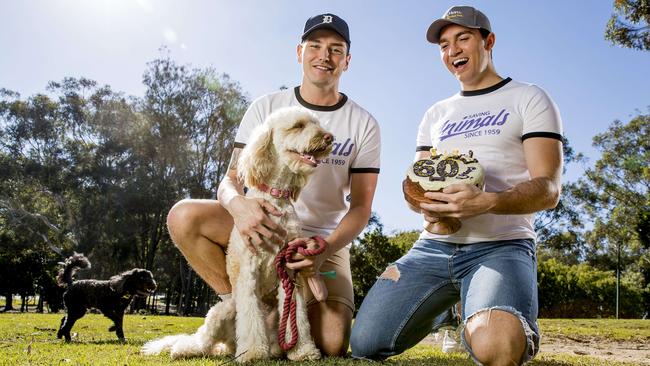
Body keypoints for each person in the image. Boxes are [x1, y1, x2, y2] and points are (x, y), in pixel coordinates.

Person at [350, 5, 562, 366]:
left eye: (463, 38)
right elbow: (417, 183)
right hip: (432, 249)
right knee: (365, 343)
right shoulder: (436, 114)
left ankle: (486, 314)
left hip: (501, 246)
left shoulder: (529, 97)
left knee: (496, 346)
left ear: (488, 41)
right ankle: (451, 310)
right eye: (444, 45)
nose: (453, 51)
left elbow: (548, 189)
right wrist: (424, 205)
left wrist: (488, 202)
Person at [166, 13, 380, 357]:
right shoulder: (266, 107)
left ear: (347, 60)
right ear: (300, 52)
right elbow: (231, 181)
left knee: (332, 341)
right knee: (183, 216)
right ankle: (239, 310)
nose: (324, 56)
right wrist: (240, 207)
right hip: (259, 220)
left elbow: (360, 209)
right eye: (315, 46)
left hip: (322, 240)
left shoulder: (363, 122)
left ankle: (274, 321)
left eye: (335, 49)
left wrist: (324, 249)